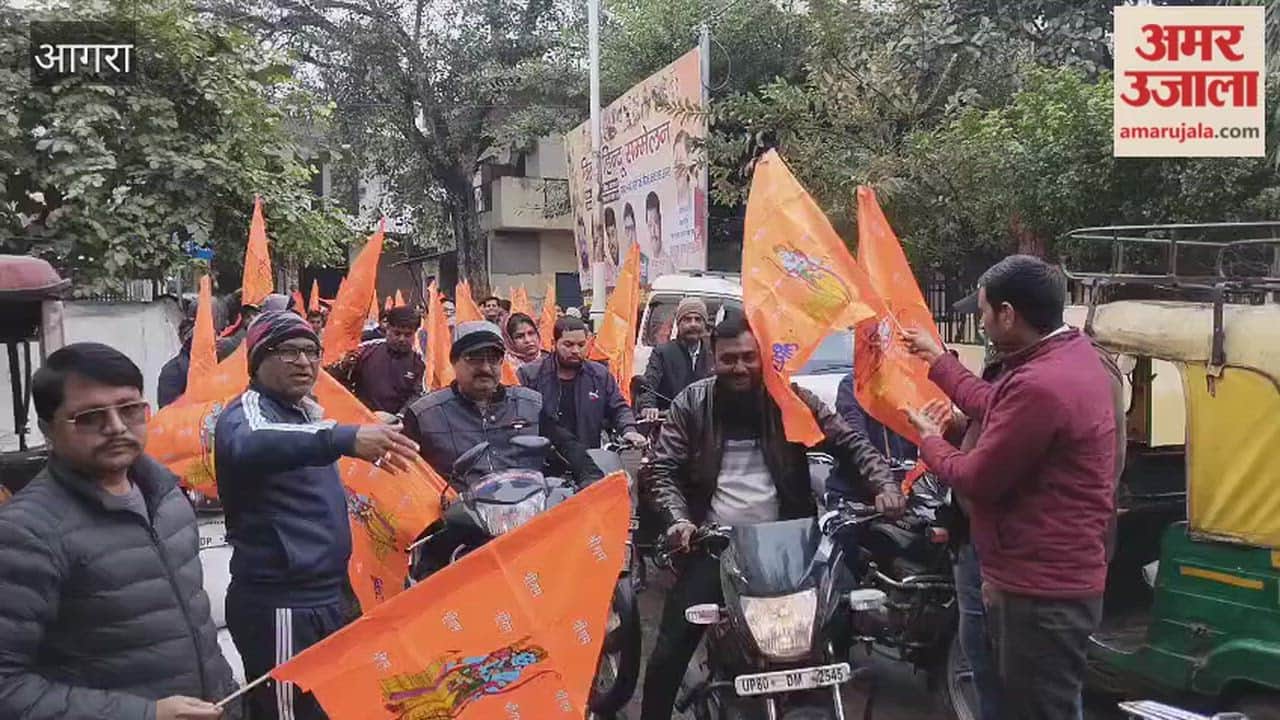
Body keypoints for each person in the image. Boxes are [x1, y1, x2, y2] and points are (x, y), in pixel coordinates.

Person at [638, 316, 905, 720]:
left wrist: (884, 485)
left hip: (789, 549)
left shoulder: (791, 400)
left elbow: (849, 442)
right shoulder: (691, 404)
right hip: (717, 548)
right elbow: (663, 470)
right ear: (714, 359)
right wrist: (680, 521)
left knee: (841, 616)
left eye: (749, 357)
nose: (740, 367)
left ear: (762, 357)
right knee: (670, 651)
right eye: (730, 359)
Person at [903, 255, 1119, 720]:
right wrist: (938, 360)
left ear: (1007, 314)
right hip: (1054, 576)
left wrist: (930, 442)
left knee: (1039, 709)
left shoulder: (1041, 384)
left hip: (1039, 590)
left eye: (983, 312)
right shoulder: (1068, 355)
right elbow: (996, 401)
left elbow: (977, 479)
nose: (980, 323)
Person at [0, 343, 239, 720]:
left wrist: (228, 693)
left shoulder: (167, 497)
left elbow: (194, 623)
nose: (115, 427)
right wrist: (144, 713)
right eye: (90, 417)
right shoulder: (26, 533)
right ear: (49, 430)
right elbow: (7, 687)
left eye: (129, 409)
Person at [215, 311, 418, 720]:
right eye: (288, 351)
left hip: (329, 596)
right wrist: (342, 437)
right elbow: (250, 442)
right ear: (257, 358)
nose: (304, 362)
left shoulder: (306, 414)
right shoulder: (246, 413)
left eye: (311, 351)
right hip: (282, 603)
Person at [402, 321, 601, 485]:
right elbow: (402, 474)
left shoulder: (530, 404)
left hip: (528, 516)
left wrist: (592, 479)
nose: (486, 368)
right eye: (475, 359)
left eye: (494, 359)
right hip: (455, 522)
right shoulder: (424, 414)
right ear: (454, 362)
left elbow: (568, 446)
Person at [518, 316, 647, 449]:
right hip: (542, 458)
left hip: (587, 456)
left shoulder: (600, 375)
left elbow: (618, 408)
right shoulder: (531, 374)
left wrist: (629, 430)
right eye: (568, 345)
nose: (575, 351)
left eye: (581, 345)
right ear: (553, 343)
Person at [327, 306, 426, 414]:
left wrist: (401, 416)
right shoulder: (364, 351)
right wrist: (343, 367)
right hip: (363, 419)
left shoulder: (419, 362)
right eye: (397, 333)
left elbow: (417, 395)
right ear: (387, 328)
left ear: (415, 333)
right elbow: (331, 379)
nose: (401, 339)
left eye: (407, 335)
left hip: (398, 423)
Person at [637, 296, 712, 420]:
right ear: (679, 324)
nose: (693, 324)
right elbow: (649, 385)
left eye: (698, 319)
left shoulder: (713, 354)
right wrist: (648, 406)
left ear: (704, 324)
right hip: (671, 423)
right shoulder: (662, 353)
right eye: (687, 320)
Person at [835, 371, 917, 464]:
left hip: (914, 470)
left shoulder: (912, 384)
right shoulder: (853, 385)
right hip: (871, 469)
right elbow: (853, 432)